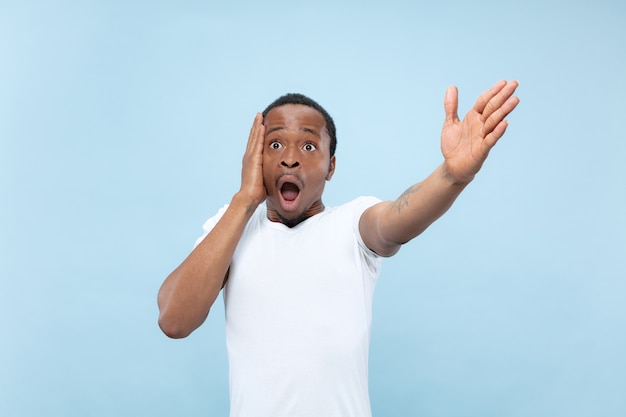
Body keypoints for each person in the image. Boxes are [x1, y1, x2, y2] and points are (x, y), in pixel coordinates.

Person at [157, 80, 520, 417]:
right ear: (256, 158)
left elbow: (397, 217)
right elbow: (174, 320)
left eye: (309, 146)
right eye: (275, 144)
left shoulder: (353, 224)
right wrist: (244, 200)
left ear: (331, 166)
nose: (290, 158)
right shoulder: (231, 226)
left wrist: (451, 175)